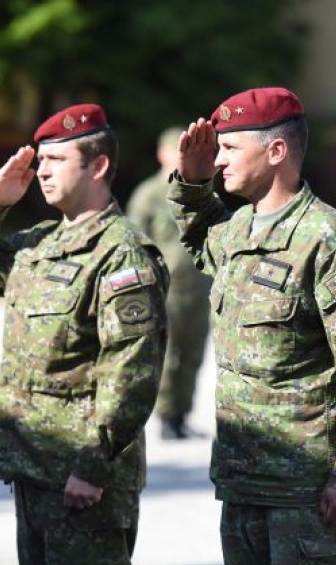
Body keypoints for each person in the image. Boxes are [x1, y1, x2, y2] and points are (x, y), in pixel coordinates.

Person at [167, 87, 336, 565]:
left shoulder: (327, 241)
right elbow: (200, 238)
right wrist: (192, 182)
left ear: (276, 151)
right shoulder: (238, 230)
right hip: (243, 482)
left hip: (308, 489)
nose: (219, 160)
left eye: (230, 148)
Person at [0, 103, 168, 565]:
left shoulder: (122, 256)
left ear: (98, 166)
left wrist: (93, 466)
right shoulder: (39, 244)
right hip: (32, 465)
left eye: (56, 160)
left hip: (84, 477)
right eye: (40, 160)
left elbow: (132, 372)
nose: (42, 171)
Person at [126, 127, 211, 439]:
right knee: (166, 352)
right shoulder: (148, 194)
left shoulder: (201, 192)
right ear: (161, 154)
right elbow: (135, 241)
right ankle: (165, 416)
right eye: (174, 150)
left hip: (199, 285)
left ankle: (182, 415)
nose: (179, 157)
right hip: (167, 288)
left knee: (193, 353)